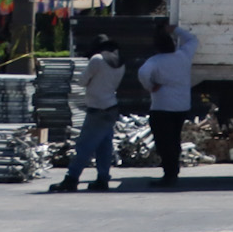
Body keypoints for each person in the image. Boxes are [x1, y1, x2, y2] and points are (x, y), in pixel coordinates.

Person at [51, 37, 124, 193]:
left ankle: (71, 179)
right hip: (112, 107)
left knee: (85, 146)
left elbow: (82, 81)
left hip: (97, 109)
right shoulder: (120, 63)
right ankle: (103, 179)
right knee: (104, 146)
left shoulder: (97, 59)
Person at [136, 24, 199, 185]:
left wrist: (150, 86)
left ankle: (169, 174)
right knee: (175, 140)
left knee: (164, 142)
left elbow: (142, 73)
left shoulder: (155, 61)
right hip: (182, 106)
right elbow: (192, 40)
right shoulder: (183, 56)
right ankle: (173, 171)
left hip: (161, 106)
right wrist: (175, 29)